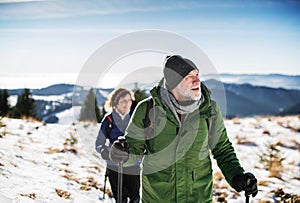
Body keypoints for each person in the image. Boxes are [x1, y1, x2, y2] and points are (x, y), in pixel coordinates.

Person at [110, 55, 258, 202]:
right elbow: (135, 150)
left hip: (198, 197)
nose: (197, 80)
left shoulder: (209, 110)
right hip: (158, 197)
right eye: (189, 77)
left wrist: (237, 175)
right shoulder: (147, 109)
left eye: (197, 74)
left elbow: (222, 148)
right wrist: (124, 154)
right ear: (174, 83)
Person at [95, 87, 140, 203]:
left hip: (133, 165)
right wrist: (105, 152)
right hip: (114, 166)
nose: (127, 104)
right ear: (116, 102)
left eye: (129, 100)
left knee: (135, 198)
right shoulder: (109, 120)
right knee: (120, 199)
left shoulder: (136, 119)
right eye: (123, 101)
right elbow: (99, 144)